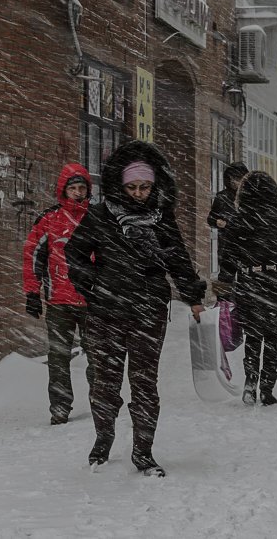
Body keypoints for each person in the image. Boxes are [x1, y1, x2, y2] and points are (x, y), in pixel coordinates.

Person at [65, 140, 206, 476]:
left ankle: (143, 452)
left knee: (145, 383)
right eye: (133, 187)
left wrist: (194, 297)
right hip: (106, 312)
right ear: (120, 184)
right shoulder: (100, 216)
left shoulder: (161, 219)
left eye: (146, 187)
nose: (140, 193)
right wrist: (93, 288)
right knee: (105, 381)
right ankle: (103, 439)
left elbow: (178, 260)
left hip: (148, 310)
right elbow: (75, 255)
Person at [215, 171, 277, 406]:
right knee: (271, 338)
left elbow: (229, 257)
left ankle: (250, 383)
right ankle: (267, 388)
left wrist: (225, 283)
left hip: (249, 284)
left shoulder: (238, 221)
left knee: (253, 336)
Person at [21, 162, 94, 425]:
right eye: (72, 188)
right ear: (63, 190)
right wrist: (32, 292)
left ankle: (102, 401)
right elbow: (33, 257)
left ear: (88, 190)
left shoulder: (96, 218)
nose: (77, 192)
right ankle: (60, 407)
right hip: (59, 301)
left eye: (81, 187)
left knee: (98, 355)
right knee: (59, 357)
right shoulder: (49, 219)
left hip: (92, 300)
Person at [207, 161, 249, 292]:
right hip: (226, 248)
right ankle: (225, 308)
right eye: (233, 178)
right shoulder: (222, 197)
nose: (235, 182)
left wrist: (230, 224)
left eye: (239, 178)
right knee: (225, 282)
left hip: (246, 248)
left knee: (246, 284)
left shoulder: (249, 198)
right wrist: (217, 221)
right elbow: (211, 218)